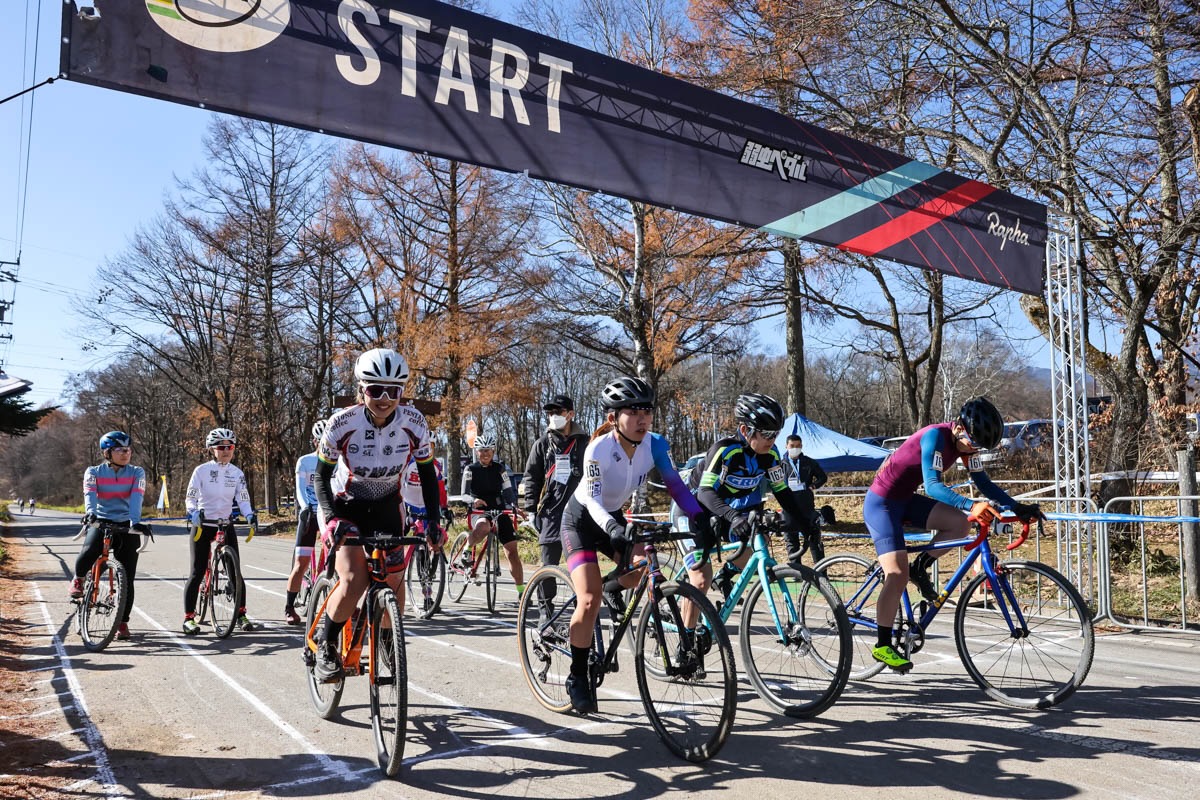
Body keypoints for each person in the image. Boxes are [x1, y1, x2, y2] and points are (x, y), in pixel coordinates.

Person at [560, 376, 711, 714]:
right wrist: (614, 526)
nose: (642, 419)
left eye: (647, 411)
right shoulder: (598, 449)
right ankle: (576, 676)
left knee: (645, 565)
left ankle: (614, 587)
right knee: (588, 597)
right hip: (583, 519)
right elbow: (595, 501)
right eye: (633, 412)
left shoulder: (655, 445)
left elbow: (676, 487)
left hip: (612, 516)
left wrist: (699, 517)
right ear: (613, 417)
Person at [863, 396, 1045, 672]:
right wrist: (972, 504)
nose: (974, 450)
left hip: (905, 500)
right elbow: (933, 486)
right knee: (896, 574)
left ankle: (920, 567)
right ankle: (883, 645)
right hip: (882, 504)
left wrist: (1016, 506)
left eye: (979, 447)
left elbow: (983, 483)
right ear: (959, 427)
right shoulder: (935, 437)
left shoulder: (966, 445)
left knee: (960, 524)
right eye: (973, 443)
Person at [311, 348, 443, 682]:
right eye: (375, 390)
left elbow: (428, 475)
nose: (384, 399)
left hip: (386, 505)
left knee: (394, 582)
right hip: (345, 505)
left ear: (401, 393)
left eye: (393, 391)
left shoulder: (414, 423)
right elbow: (320, 477)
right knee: (354, 580)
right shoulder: (342, 423)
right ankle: (326, 645)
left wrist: (432, 521)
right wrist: (330, 518)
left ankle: (387, 638)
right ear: (361, 389)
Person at [672, 393, 806, 626]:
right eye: (766, 433)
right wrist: (734, 516)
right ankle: (686, 649)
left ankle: (721, 595)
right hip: (690, 512)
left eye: (776, 433)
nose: (772, 439)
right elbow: (705, 493)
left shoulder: (771, 456)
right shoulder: (725, 451)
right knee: (701, 580)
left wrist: (805, 520)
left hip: (719, 512)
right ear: (745, 430)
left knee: (751, 562)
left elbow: (782, 493)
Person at [71, 432, 150, 641]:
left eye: (128, 450)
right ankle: (79, 579)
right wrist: (91, 513)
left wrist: (135, 521)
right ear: (107, 452)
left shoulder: (137, 472)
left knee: (128, 577)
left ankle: (122, 622)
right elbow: (90, 494)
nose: (126, 454)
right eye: (120, 450)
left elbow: (136, 497)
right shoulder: (94, 472)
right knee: (89, 550)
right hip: (101, 519)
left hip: (126, 523)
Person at [183, 427, 258, 635]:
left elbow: (242, 498)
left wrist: (249, 514)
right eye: (221, 447)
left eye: (230, 447)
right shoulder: (201, 471)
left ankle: (241, 613)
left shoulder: (237, 473)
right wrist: (193, 512)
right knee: (197, 571)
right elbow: (190, 496)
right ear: (212, 449)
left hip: (225, 524)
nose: (226, 451)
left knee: (235, 571)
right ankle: (189, 617)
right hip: (203, 524)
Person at [522, 394, 588, 570]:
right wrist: (530, 511)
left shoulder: (585, 442)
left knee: (583, 565)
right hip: (551, 511)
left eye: (558, 411)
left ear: (570, 414)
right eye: (550, 413)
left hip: (580, 510)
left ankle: (581, 597)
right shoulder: (542, 444)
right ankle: (545, 599)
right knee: (549, 564)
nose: (553, 416)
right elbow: (532, 478)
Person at [461, 435, 525, 598]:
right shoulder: (470, 469)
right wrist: (473, 500)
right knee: (483, 527)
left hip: (498, 509)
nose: (485, 454)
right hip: (479, 510)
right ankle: (467, 549)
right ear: (477, 452)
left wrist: (515, 506)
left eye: (488, 450)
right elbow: (464, 495)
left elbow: (508, 491)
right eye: (482, 451)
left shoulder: (500, 468)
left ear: (493, 451)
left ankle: (521, 592)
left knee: (512, 552)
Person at [284, 420, 326, 625]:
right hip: (310, 512)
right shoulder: (305, 461)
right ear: (315, 441)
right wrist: (305, 508)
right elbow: (300, 490)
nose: (325, 445)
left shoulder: (340, 461)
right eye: (321, 441)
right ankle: (289, 607)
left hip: (328, 515)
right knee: (301, 564)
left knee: (344, 561)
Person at [400, 447, 451, 614]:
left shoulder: (435, 465)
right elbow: (399, 485)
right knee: (394, 539)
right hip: (408, 507)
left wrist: (444, 508)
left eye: (432, 446)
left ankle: (428, 593)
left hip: (427, 509)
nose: (428, 449)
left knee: (434, 541)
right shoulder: (407, 463)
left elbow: (440, 490)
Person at [780, 433, 828, 563]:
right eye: (792, 446)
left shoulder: (809, 462)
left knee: (814, 539)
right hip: (788, 507)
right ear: (786, 446)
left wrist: (814, 485)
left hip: (806, 506)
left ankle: (821, 570)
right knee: (791, 541)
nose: (795, 448)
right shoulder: (780, 464)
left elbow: (823, 477)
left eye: (798, 446)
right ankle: (796, 570)